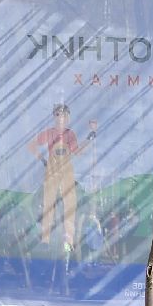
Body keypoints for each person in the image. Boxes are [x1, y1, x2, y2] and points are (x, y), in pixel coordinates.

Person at [30, 104, 94, 251]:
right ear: (54, 116)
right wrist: (43, 160)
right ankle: (45, 239)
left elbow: (77, 151)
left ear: (68, 118)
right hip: (52, 171)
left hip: (66, 170)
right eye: (58, 114)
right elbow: (32, 145)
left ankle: (68, 239)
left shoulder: (70, 134)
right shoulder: (49, 133)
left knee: (70, 203)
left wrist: (89, 139)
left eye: (64, 115)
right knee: (48, 203)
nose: (61, 118)